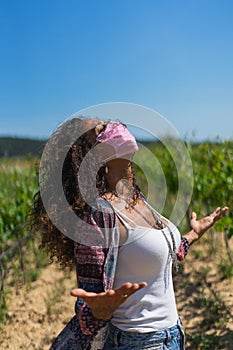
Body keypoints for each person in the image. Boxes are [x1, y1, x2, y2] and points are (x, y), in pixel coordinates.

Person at [31, 117, 228, 350]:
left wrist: (192, 236)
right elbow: (89, 304)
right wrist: (99, 309)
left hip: (173, 336)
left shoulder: (139, 200)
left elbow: (154, 255)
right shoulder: (98, 215)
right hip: (136, 342)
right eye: (101, 129)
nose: (113, 126)